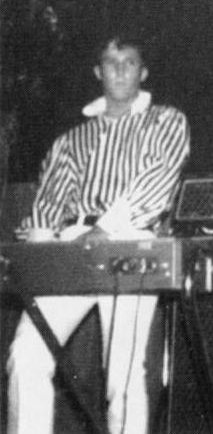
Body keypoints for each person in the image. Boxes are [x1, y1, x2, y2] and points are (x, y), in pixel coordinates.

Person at [6, 32, 190, 434]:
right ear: (98, 72)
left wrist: (106, 229)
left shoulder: (167, 121)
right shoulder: (70, 141)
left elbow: (157, 181)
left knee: (122, 375)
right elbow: (49, 203)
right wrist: (38, 251)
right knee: (27, 355)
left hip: (130, 243)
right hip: (73, 245)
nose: (120, 70)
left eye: (129, 62)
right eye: (111, 62)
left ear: (143, 71)